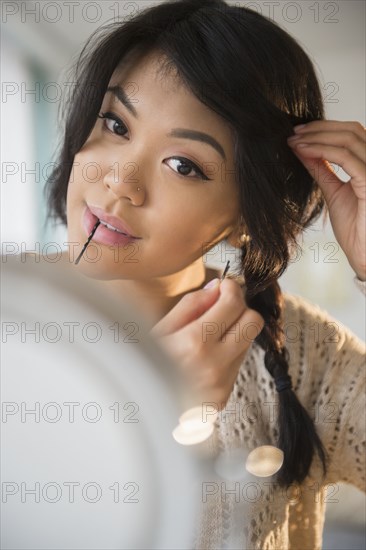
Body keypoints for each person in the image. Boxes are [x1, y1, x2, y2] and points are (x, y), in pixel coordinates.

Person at [44, 0, 365, 547]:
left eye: (183, 165)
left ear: (246, 220)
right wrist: (149, 412)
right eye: (115, 123)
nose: (121, 181)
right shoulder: (13, 316)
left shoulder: (305, 357)